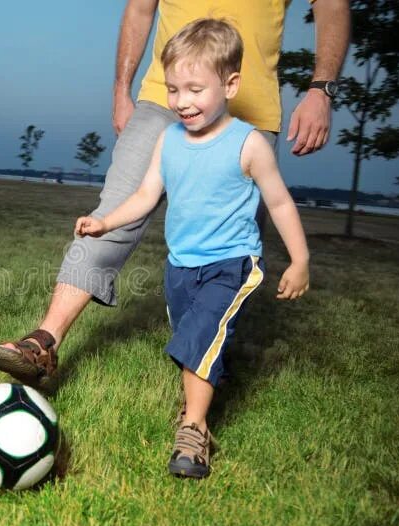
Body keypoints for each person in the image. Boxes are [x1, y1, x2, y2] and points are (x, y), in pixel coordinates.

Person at [0, 0, 349, 392]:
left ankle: (206, 370)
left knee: (230, 251)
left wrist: (321, 90)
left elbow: (332, 5)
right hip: (163, 98)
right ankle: (43, 342)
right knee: (114, 210)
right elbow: (140, 9)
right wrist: (121, 89)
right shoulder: (173, 98)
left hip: (250, 108)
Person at [73, 17, 308, 478]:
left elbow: (279, 202)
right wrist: (104, 221)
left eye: (195, 90)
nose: (182, 102)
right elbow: (144, 195)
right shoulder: (170, 139)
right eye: (175, 90)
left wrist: (300, 260)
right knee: (195, 342)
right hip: (180, 267)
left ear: (231, 84)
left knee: (200, 336)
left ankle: (193, 431)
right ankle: (201, 390)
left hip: (231, 264)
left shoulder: (249, 143)